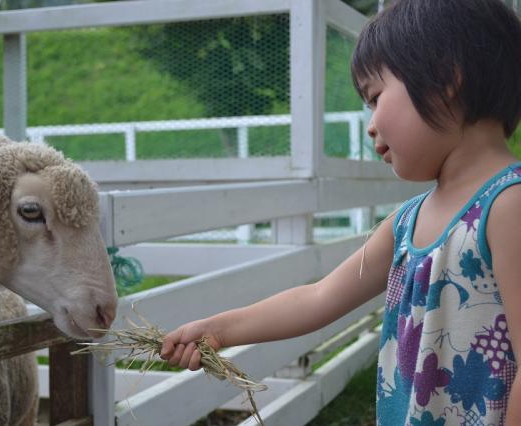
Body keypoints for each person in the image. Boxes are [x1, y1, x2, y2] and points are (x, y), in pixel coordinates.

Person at [160, 0, 521, 424]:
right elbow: (318, 298)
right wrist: (218, 330)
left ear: (445, 78)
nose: (369, 123)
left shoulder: (508, 206)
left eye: (375, 97)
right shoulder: (407, 223)